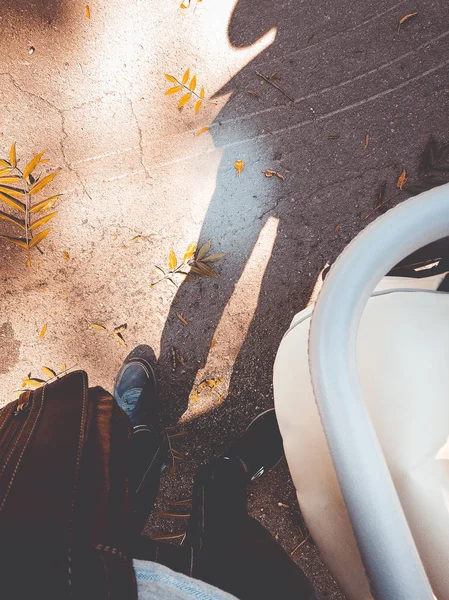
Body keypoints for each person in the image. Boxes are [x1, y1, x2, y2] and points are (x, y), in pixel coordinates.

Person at [114, 345, 319, 600]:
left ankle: (141, 434)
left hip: (94, 573)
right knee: (225, 511)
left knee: (115, 496)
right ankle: (233, 466)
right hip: (230, 589)